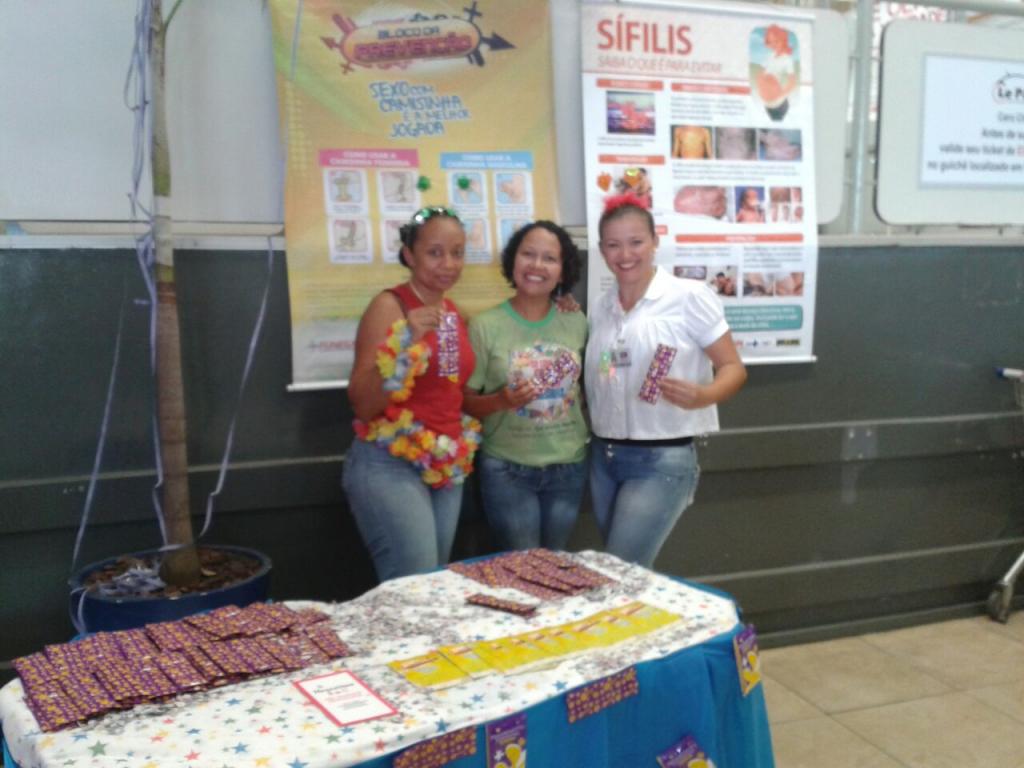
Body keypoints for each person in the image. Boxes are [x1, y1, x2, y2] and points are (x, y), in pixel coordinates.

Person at [585, 193, 747, 568]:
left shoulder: (688, 297)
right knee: (625, 571)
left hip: (660, 459)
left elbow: (733, 368)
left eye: (636, 242)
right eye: (613, 245)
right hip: (603, 457)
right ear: (602, 250)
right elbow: (609, 369)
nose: (625, 254)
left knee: (620, 570)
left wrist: (703, 395)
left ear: (655, 241)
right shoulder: (602, 307)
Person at [342, 206, 480, 581]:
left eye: (457, 252)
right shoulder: (390, 306)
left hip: (445, 464)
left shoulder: (453, 312)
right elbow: (363, 403)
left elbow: (451, 391)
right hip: (390, 463)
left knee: (433, 583)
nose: (448, 264)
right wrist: (405, 343)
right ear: (409, 255)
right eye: (435, 252)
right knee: (413, 587)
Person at [463, 221, 588, 551]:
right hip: (507, 469)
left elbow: (588, 388)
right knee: (522, 568)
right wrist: (502, 400)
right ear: (512, 261)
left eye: (550, 258)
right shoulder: (485, 325)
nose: (537, 265)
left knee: (555, 565)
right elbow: (465, 402)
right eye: (528, 254)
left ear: (563, 271)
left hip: (568, 466)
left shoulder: (576, 321)